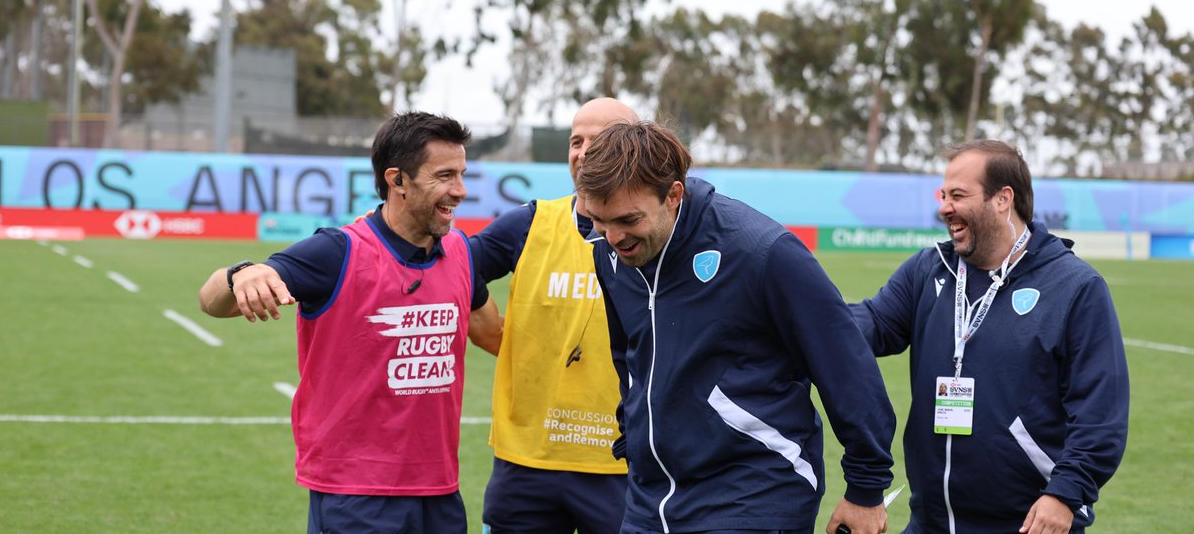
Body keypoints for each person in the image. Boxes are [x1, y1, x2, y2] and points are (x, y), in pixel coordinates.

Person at [576, 120, 896, 534]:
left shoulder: (762, 252)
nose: (613, 236)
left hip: (754, 492)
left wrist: (866, 489)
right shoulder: (608, 250)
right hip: (649, 501)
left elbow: (845, 363)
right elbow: (629, 355)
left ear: (673, 195)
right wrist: (631, 432)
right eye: (599, 220)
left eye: (627, 219)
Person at [198, 111, 502, 534]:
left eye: (463, 174)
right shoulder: (337, 253)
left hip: (440, 493)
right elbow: (212, 302)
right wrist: (239, 274)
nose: (460, 191)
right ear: (397, 180)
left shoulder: (461, 254)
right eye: (445, 176)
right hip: (355, 496)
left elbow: (497, 336)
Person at [852, 140, 1130, 534]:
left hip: (1028, 524)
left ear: (1003, 199)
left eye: (958, 195)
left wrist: (1066, 493)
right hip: (930, 521)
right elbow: (871, 324)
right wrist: (797, 320)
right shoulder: (929, 270)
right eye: (944, 195)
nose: (945, 207)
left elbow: (1101, 414)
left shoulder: (1075, 288)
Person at [467, 97, 637, 534]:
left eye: (596, 142)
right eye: (575, 141)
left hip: (621, 462)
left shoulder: (659, 239)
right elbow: (451, 268)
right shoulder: (528, 225)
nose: (581, 152)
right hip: (526, 462)